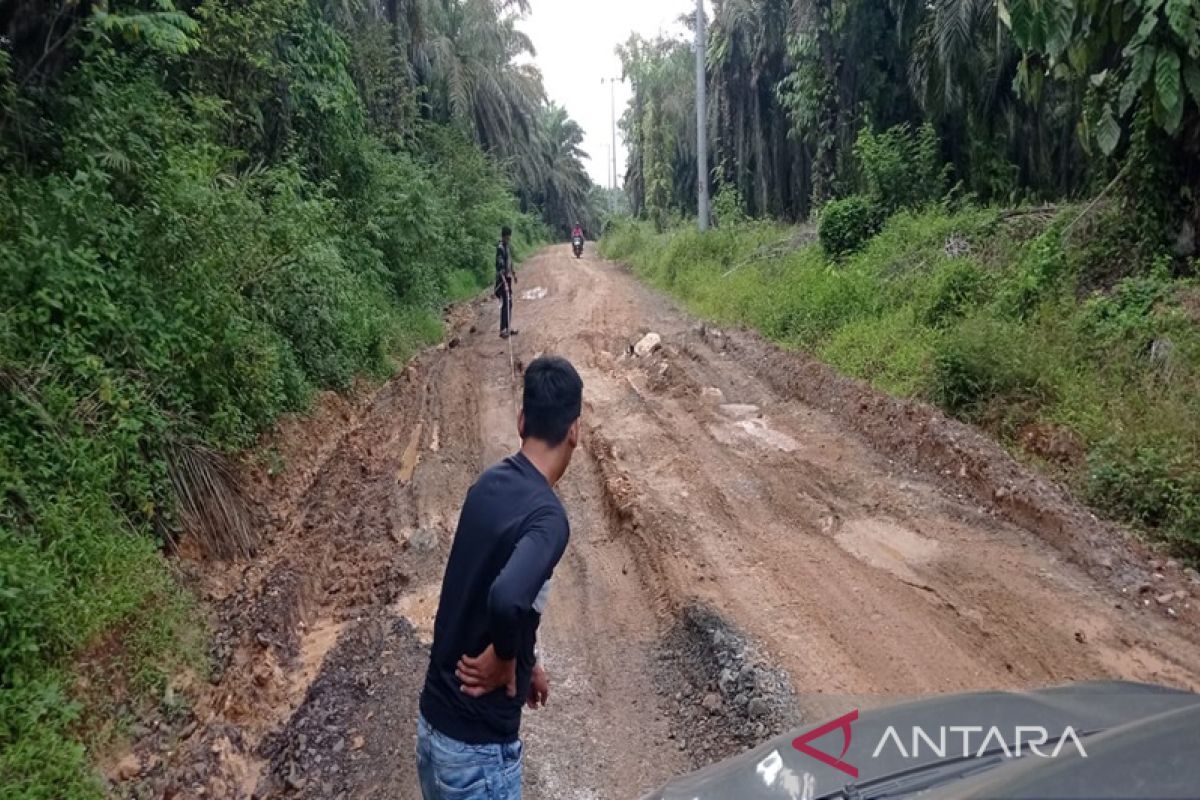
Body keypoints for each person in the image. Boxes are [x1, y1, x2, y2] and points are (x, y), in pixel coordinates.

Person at [416, 355, 584, 800]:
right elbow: (507, 596)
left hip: (434, 729)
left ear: (521, 420)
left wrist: (531, 662)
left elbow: (496, 591)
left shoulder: (487, 485)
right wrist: (507, 658)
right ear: (575, 431)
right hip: (477, 753)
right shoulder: (548, 518)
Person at [495, 225, 517, 339]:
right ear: (503, 236)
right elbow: (500, 268)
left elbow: (510, 262)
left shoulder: (507, 247)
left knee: (510, 304)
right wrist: (504, 283)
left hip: (507, 279)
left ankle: (508, 328)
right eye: (507, 238)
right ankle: (502, 330)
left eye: (509, 238)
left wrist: (514, 274)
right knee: (505, 304)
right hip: (502, 281)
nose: (508, 239)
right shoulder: (500, 248)